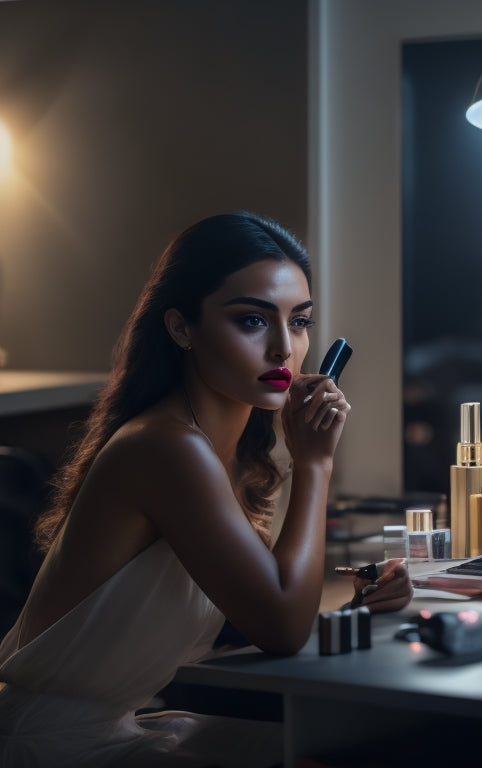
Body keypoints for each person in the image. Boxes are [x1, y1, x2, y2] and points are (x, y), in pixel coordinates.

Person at [0, 211, 413, 767]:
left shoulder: (221, 453)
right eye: (251, 321)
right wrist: (316, 464)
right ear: (181, 328)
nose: (283, 350)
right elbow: (281, 628)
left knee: (350, 746)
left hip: (112, 730)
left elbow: (261, 606)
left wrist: (360, 604)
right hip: (55, 749)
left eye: (299, 322)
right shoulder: (168, 448)